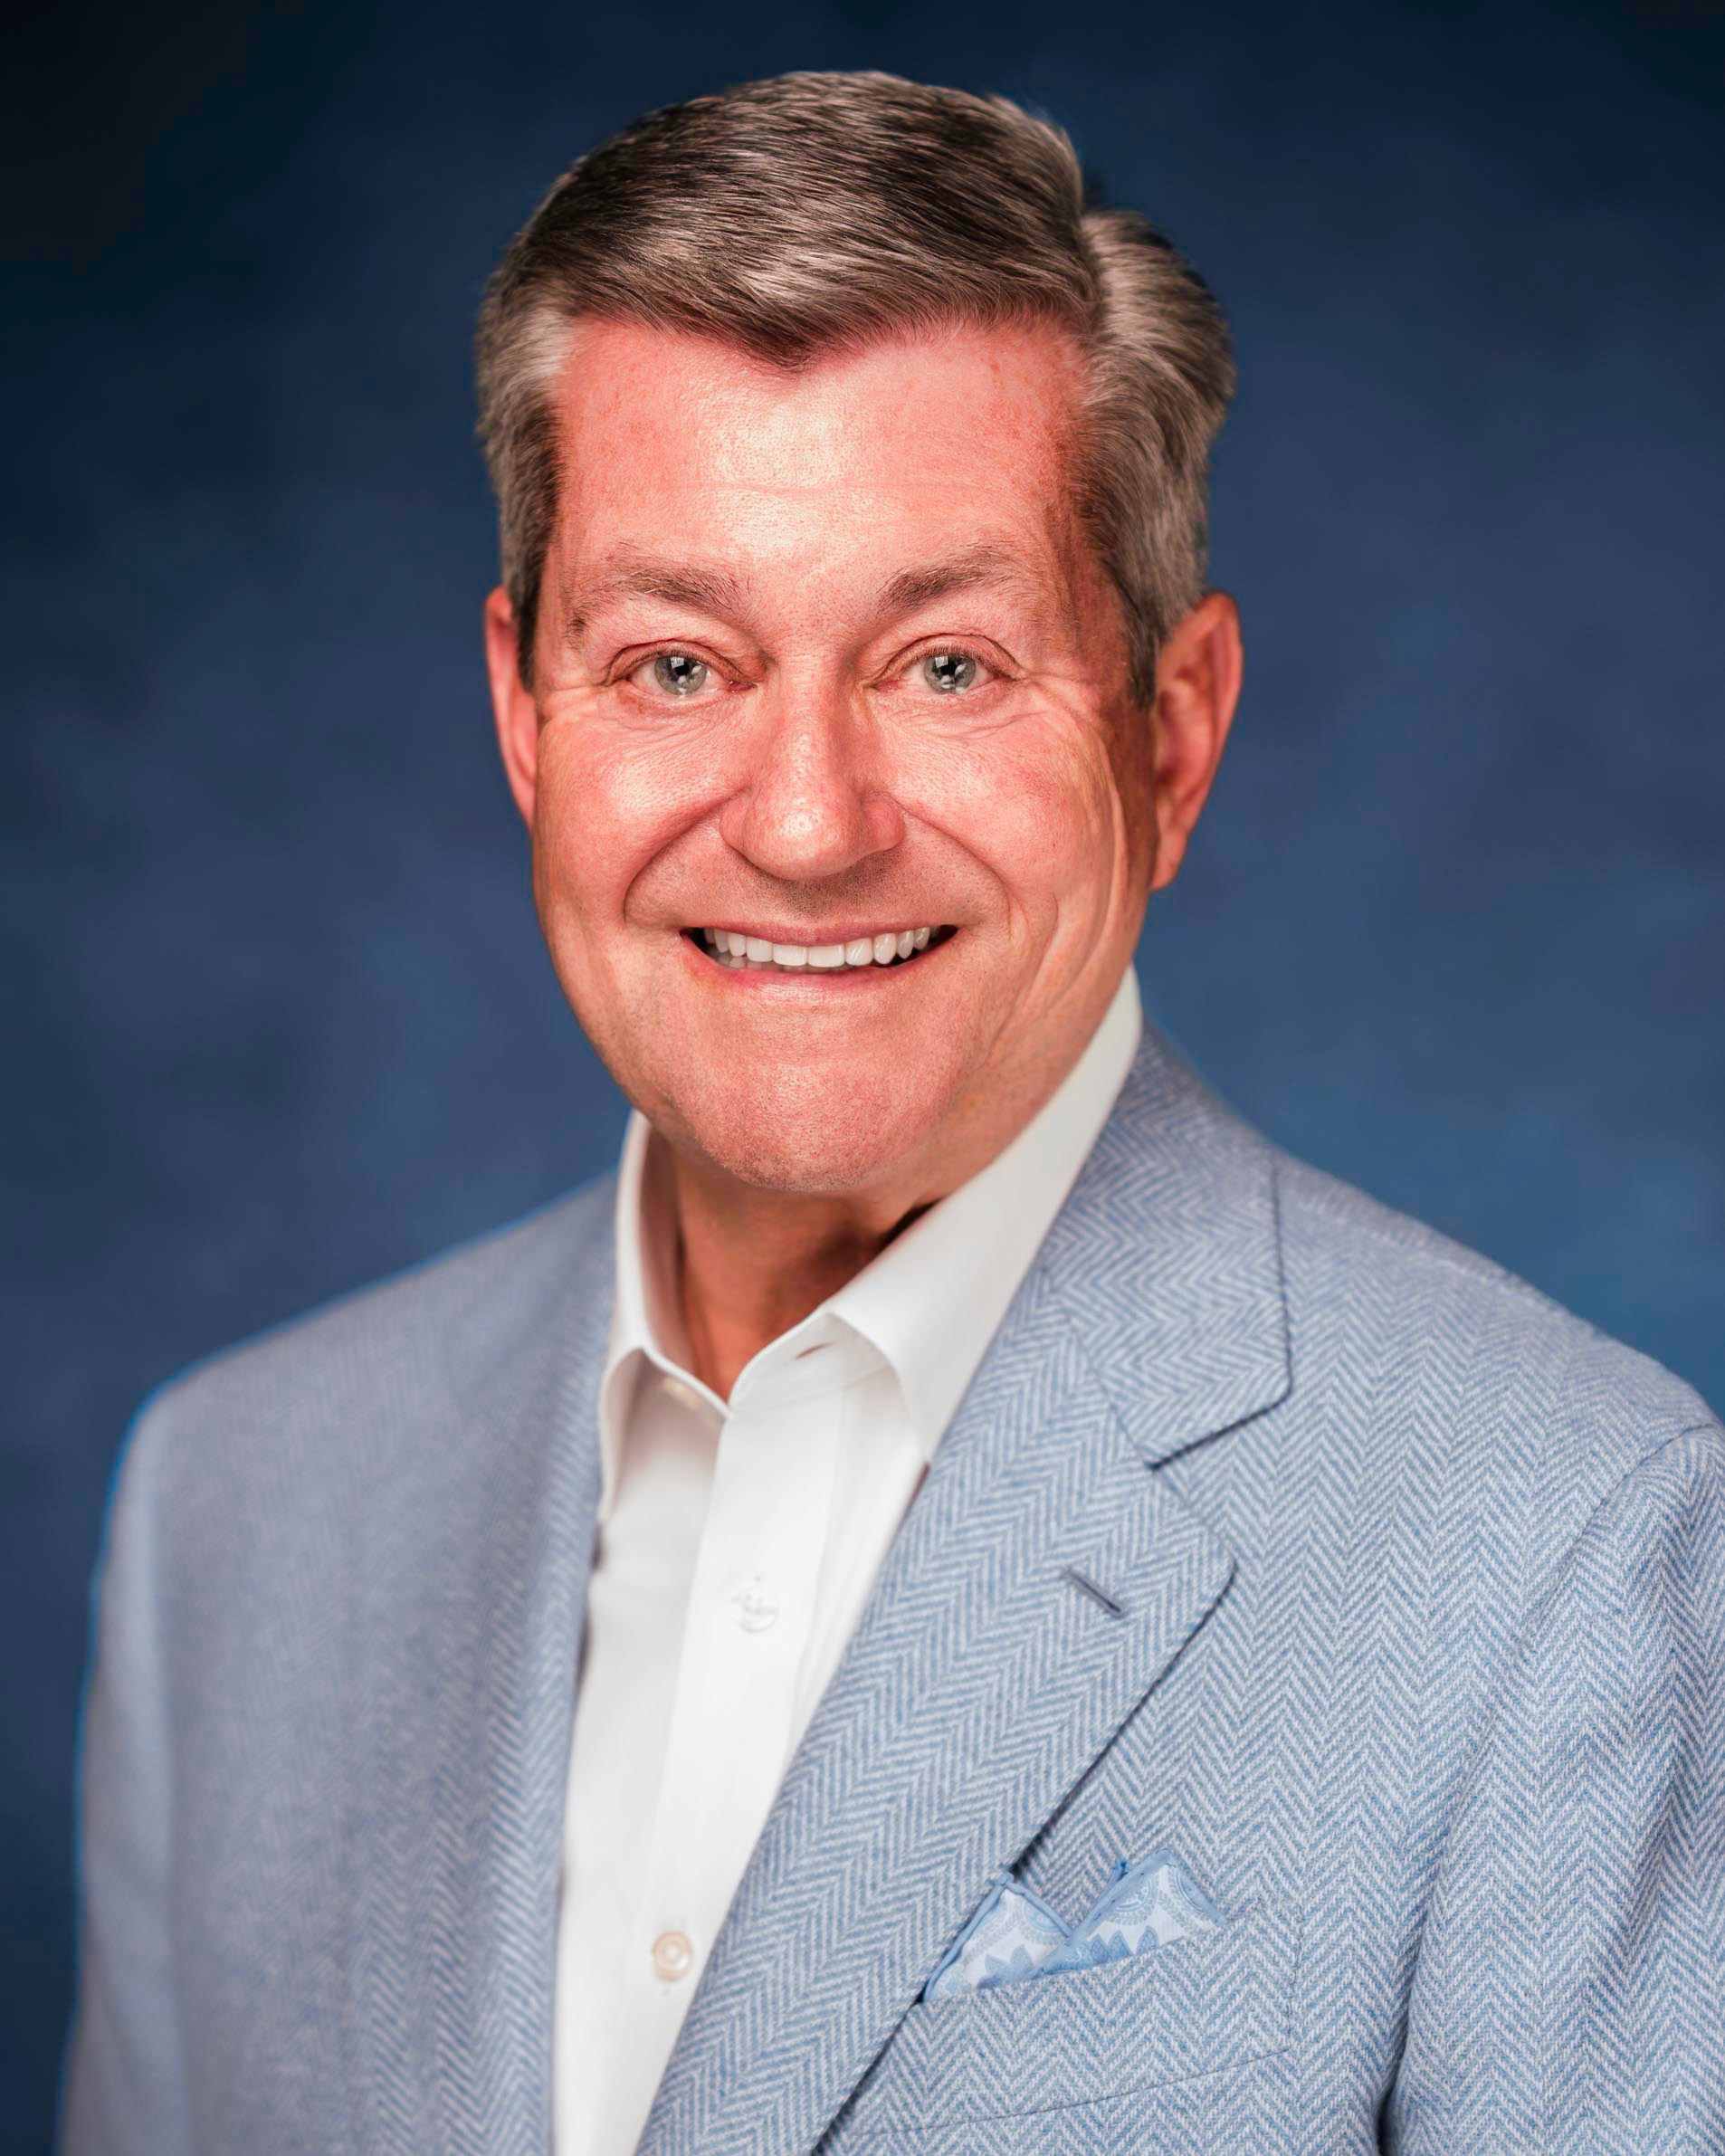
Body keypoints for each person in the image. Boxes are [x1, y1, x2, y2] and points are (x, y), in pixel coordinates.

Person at [62, 69, 1722, 2156]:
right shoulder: (233, 1511)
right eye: (675, 666)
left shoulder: (1563, 1548)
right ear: (523, 717)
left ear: (1170, 737)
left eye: (945, 665)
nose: (802, 824)